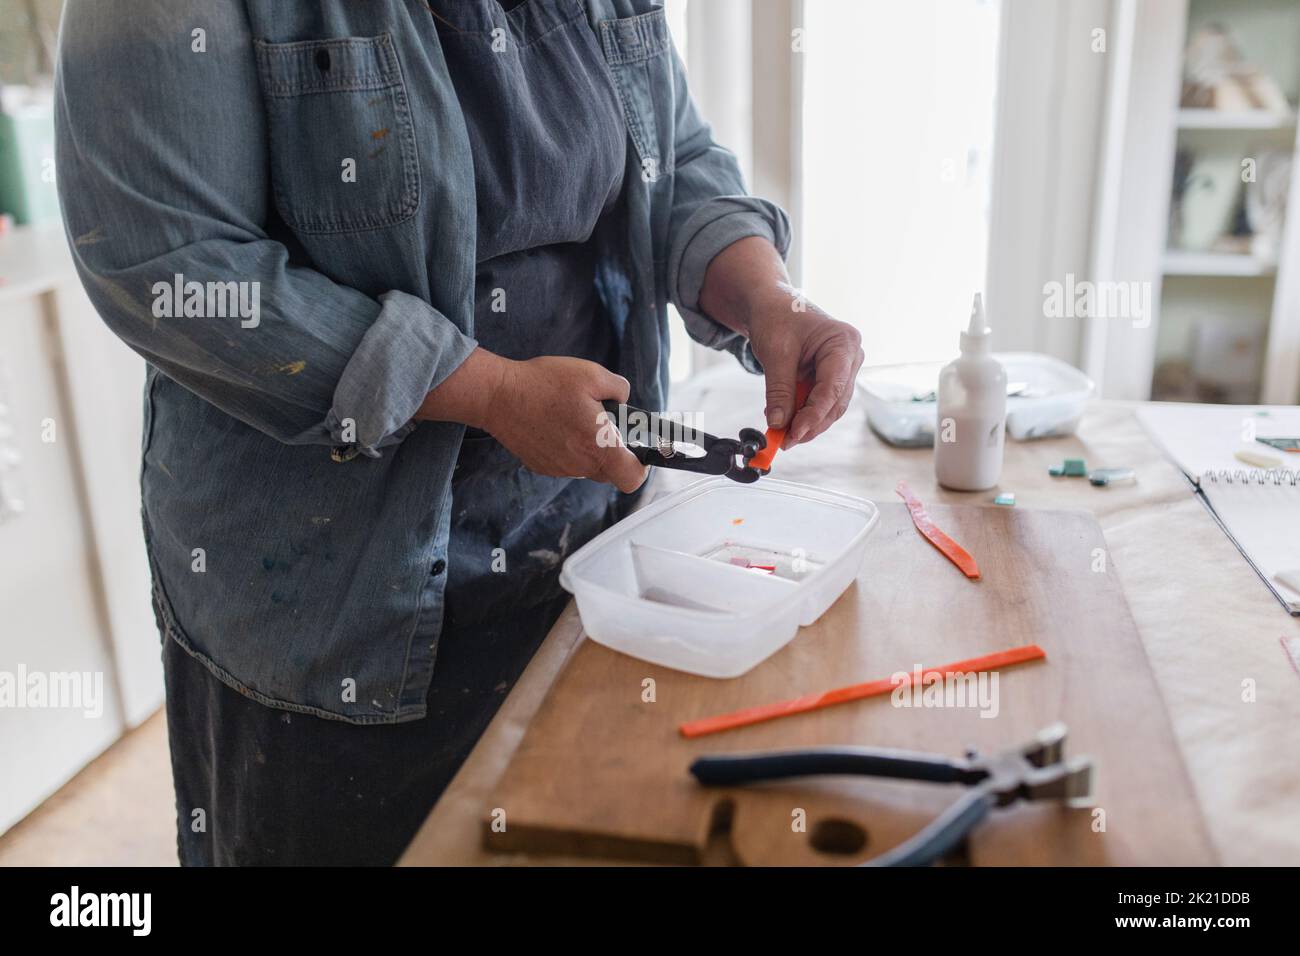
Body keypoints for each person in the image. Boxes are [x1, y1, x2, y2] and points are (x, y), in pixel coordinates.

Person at [55, 0, 863, 865]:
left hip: (588, 558)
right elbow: (167, 264)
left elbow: (676, 156)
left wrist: (768, 296)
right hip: (332, 611)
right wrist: (494, 395)